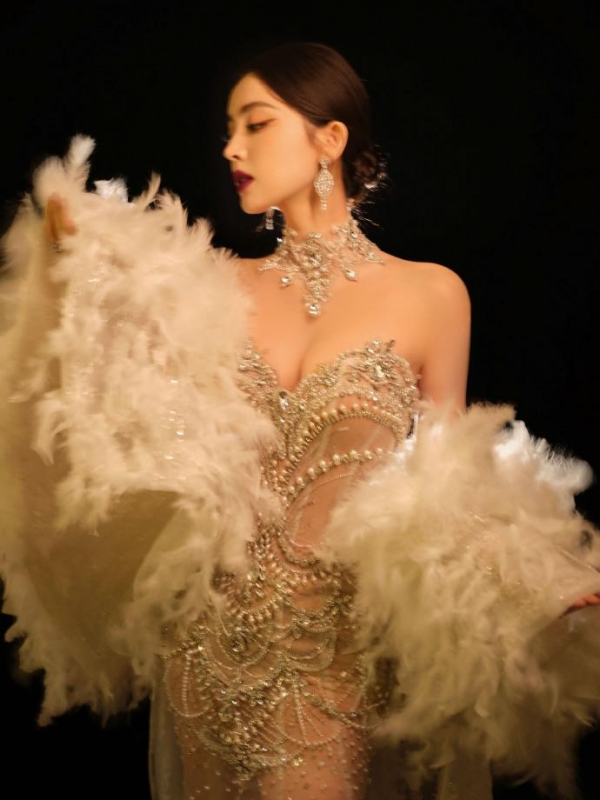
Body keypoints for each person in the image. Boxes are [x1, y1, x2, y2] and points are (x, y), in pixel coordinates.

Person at [2, 41, 600, 800]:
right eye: (228, 129)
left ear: (330, 139)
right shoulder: (212, 285)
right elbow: (107, 411)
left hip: (337, 650)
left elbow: (447, 481)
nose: (232, 147)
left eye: (256, 124)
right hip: (207, 642)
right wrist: (70, 266)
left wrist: (538, 578)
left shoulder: (432, 295)